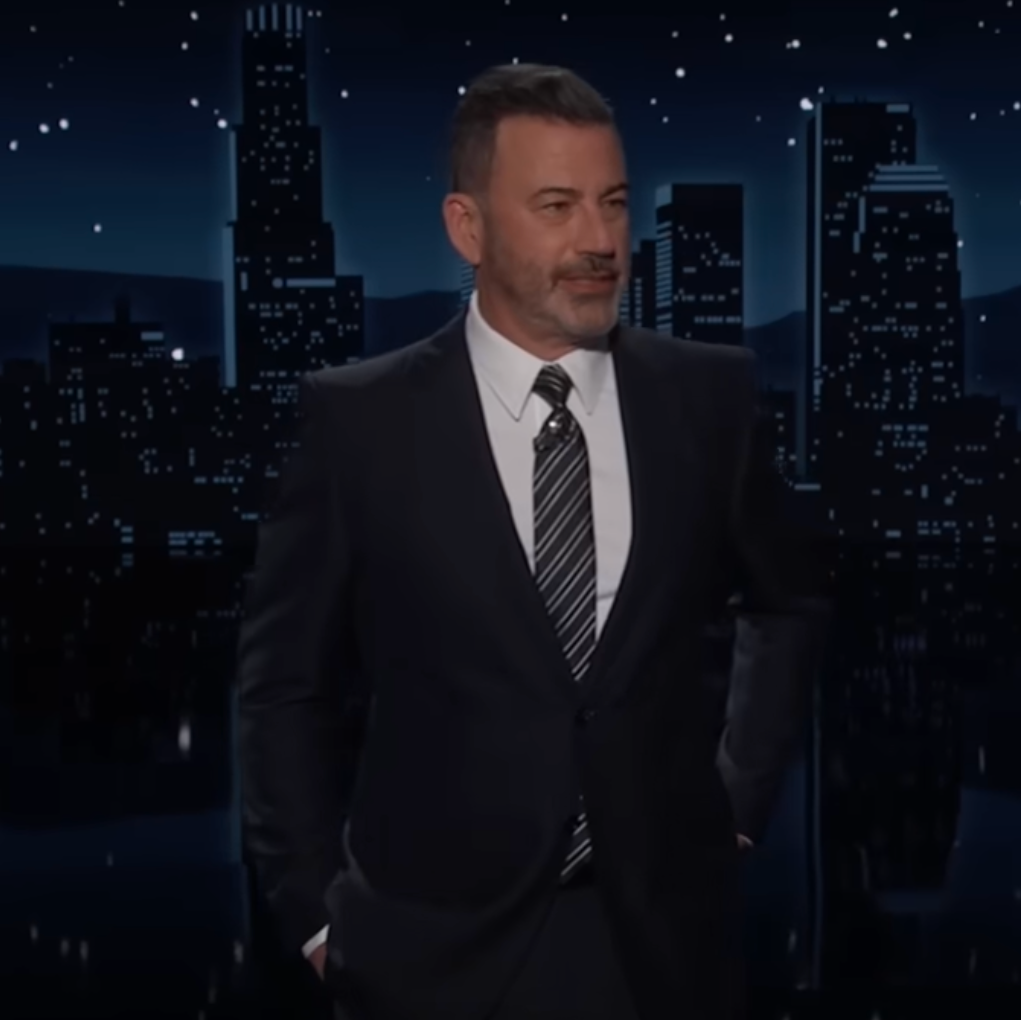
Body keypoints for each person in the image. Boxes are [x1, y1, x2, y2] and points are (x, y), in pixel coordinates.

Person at [237, 63, 825, 1020]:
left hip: (664, 942)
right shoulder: (359, 422)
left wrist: (738, 804)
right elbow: (281, 688)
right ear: (467, 228)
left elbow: (785, 603)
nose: (599, 241)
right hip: (428, 952)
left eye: (612, 203)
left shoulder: (709, 395)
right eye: (557, 206)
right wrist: (313, 917)